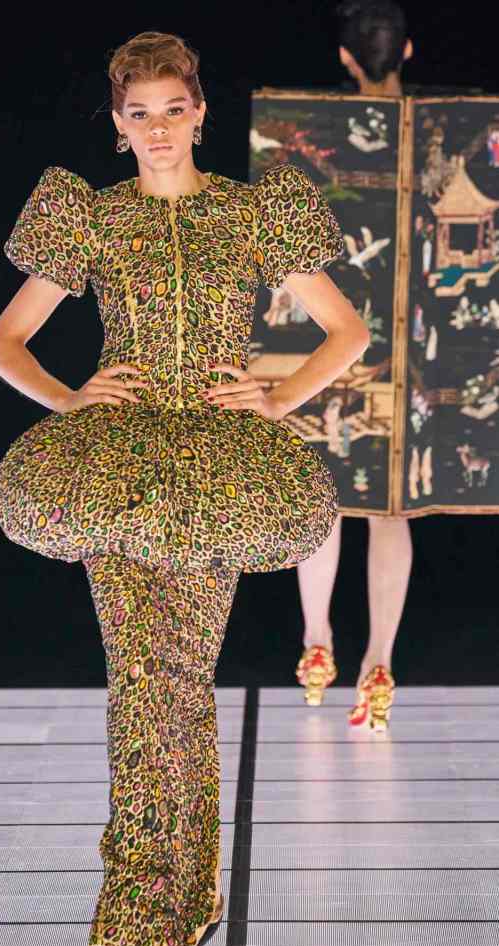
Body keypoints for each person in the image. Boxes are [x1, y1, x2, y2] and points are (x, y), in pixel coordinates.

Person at [0, 30, 368, 946]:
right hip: (115, 471)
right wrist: (70, 398)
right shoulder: (95, 218)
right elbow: (4, 341)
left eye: (172, 109)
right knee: (144, 683)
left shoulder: (249, 212)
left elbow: (345, 330)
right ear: (118, 125)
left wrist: (277, 398)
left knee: (179, 682)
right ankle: (154, 918)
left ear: (199, 112)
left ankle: (182, 896)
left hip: (218, 475)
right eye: (137, 113)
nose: (156, 128)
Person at [293, 1, 414, 732]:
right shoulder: (443, 132)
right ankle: (379, 661)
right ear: (408, 51)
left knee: (325, 494)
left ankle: (317, 641)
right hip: (412, 341)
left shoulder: (315, 135)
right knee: (391, 506)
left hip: (330, 333)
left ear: (343, 59)